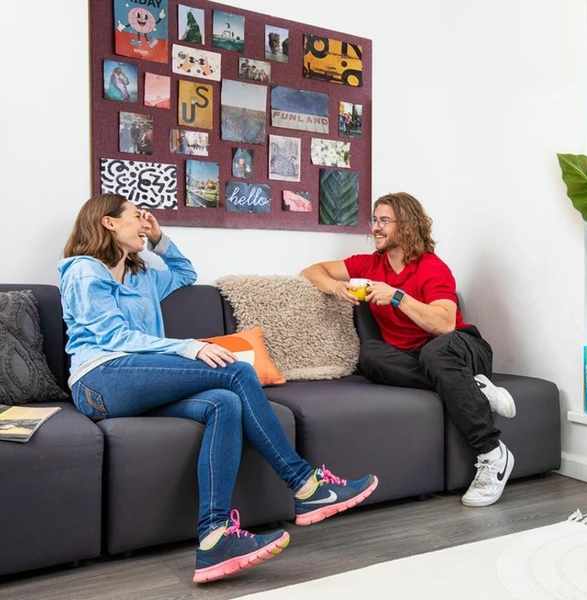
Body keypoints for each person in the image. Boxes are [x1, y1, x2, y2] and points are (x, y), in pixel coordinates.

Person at [59, 194, 378, 583]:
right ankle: (305, 484)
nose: (144, 224)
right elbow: (113, 337)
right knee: (236, 372)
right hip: (101, 380)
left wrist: (159, 238)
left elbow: (184, 272)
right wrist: (189, 347)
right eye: (136, 218)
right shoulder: (84, 271)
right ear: (108, 223)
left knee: (224, 404)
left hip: (141, 382)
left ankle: (214, 540)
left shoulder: (142, 276)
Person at [302, 192, 516, 508]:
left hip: (460, 347)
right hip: (416, 358)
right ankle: (473, 388)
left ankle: (492, 452)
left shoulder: (432, 268)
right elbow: (313, 270)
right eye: (374, 220)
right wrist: (337, 288)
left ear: (406, 226)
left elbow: (444, 324)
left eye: (384, 220)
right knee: (371, 355)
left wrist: (398, 297)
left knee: (434, 353)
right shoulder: (369, 264)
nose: (375, 227)